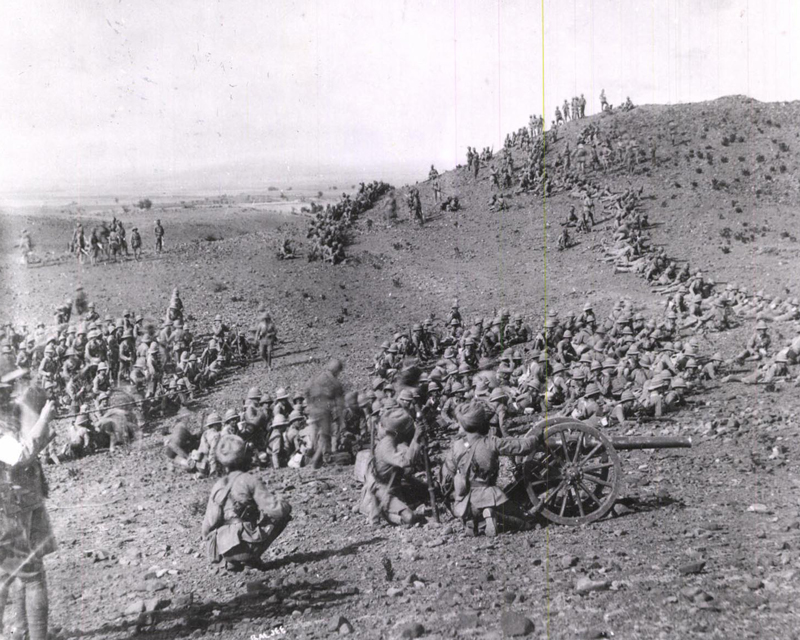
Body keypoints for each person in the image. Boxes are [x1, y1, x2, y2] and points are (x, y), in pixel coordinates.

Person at [0, 398, 57, 640]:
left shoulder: (6, 423)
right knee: (32, 576)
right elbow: (20, 455)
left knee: (8, 574)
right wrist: (43, 418)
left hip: (23, 503)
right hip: (9, 510)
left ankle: (21, 631)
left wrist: (43, 426)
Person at [441, 402, 538, 536]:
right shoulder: (491, 442)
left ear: (462, 425)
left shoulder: (456, 446)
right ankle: (493, 514)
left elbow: (447, 474)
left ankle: (475, 520)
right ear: (481, 422)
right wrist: (535, 438)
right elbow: (519, 447)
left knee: (472, 516)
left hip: (464, 500)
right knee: (525, 522)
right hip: (489, 493)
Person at [201, 434, 292, 573]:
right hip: (246, 546)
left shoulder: (218, 485)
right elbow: (277, 511)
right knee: (283, 516)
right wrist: (284, 503)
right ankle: (251, 560)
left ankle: (232, 563)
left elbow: (207, 526)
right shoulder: (249, 480)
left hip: (223, 549)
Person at [359, 407, 428, 526]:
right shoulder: (386, 445)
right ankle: (381, 512)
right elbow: (406, 462)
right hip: (382, 490)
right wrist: (416, 438)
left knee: (423, 491)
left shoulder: (395, 442)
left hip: (394, 486)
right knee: (409, 517)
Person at [304, 358, 346, 469]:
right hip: (324, 413)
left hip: (313, 411)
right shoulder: (336, 384)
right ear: (337, 370)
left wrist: (310, 405)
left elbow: (307, 390)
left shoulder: (317, 379)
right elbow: (340, 404)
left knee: (314, 437)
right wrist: (342, 422)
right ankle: (315, 461)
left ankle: (312, 457)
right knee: (324, 436)